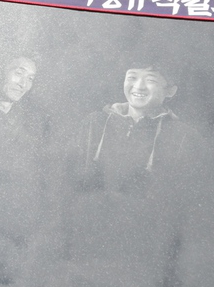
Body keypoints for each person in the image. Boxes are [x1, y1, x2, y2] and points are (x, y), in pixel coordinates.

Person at [74, 63, 187, 194]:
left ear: (170, 91)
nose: (139, 86)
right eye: (132, 77)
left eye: (150, 80)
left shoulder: (182, 136)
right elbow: (71, 180)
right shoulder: (94, 123)